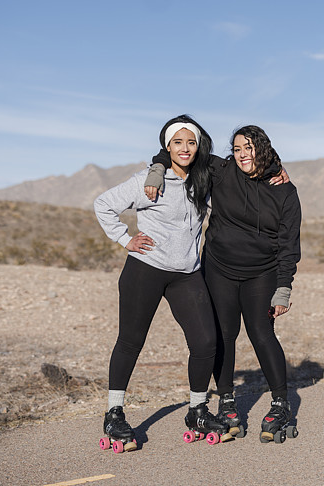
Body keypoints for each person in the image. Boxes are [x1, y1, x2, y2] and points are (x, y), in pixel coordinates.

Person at [145, 124, 302, 443]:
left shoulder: (284, 190)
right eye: (237, 148)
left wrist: (283, 287)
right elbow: (183, 151)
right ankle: (227, 400)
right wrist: (157, 168)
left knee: (261, 333)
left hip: (262, 272)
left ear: (263, 148)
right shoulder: (222, 170)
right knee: (224, 336)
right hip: (219, 269)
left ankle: (280, 404)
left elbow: (289, 244)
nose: (243, 154)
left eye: (249, 147)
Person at [93, 114, 230, 451]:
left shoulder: (203, 182)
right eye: (177, 142)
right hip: (146, 269)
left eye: (191, 142)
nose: (185, 148)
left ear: (199, 146)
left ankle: (197, 409)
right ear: (166, 147)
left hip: (187, 273)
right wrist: (125, 239)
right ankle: (114, 413)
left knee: (206, 342)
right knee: (130, 341)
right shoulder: (151, 180)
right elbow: (104, 205)